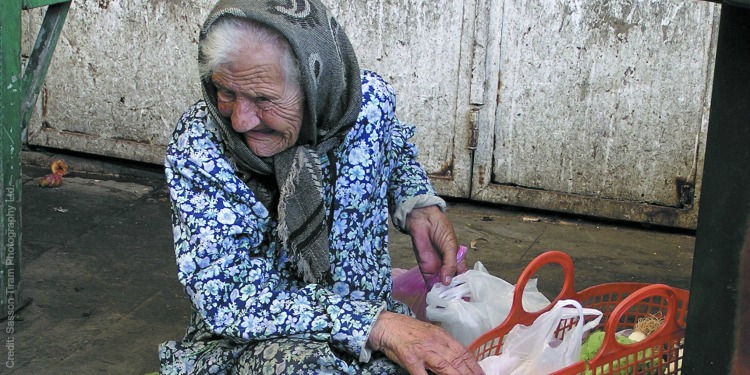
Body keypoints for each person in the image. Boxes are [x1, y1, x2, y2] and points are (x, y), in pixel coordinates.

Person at [159, 1, 484, 374]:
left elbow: (392, 144)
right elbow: (227, 295)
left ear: (317, 85)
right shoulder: (200, 144)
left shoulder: (365, 104)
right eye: (226, 92)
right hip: (258, 345)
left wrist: (417, 202)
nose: (240, 120)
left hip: (370, 315)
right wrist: (374, 325)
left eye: (263, 98)